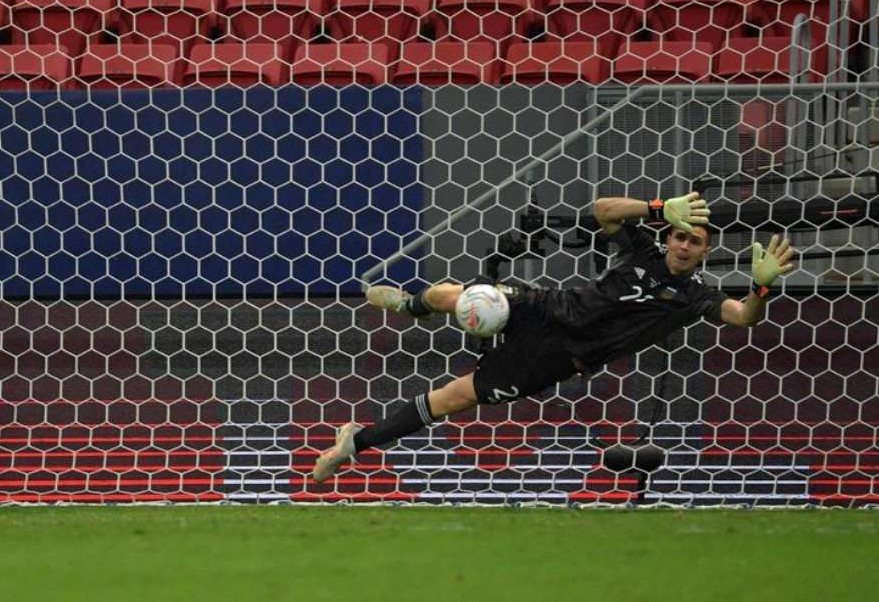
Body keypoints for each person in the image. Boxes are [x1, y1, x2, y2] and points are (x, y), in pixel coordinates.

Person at [312, 192, 796, 483]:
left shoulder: (694, 296)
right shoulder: (645, 249)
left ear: (706, 251)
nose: (684, 245)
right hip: (549, 307)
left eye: (694, 242)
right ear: (668, 236)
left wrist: (762, 286)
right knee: (460, 297)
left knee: (453, 398)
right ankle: (411, 305)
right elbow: (605, 212)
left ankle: (355, 443)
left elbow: (743, 317)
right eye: (679, 235)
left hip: (560, 357)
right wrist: (653, 206)